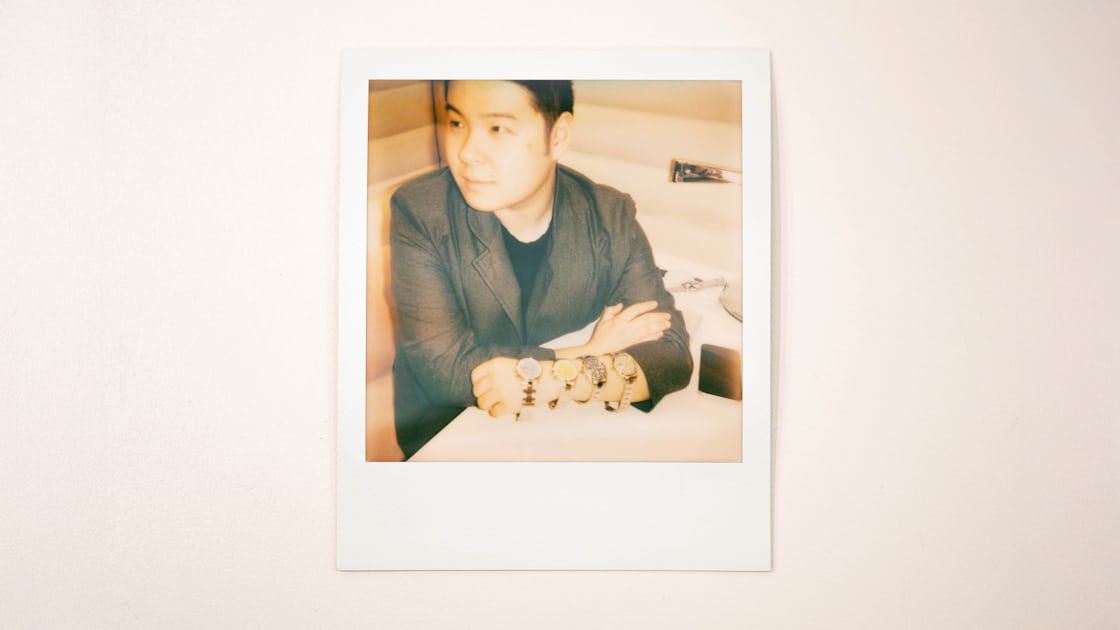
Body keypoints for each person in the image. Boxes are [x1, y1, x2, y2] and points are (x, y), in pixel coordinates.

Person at [389, 80, 692, 459]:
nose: (467, 152)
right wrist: (586, 352)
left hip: (560, 429)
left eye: (497, 128)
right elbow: (445, 369)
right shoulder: (420, 212)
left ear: (558, 136)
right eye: (457, 123)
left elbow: (671, 354)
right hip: (452, 433)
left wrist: (548, 382)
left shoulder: (608, 216)